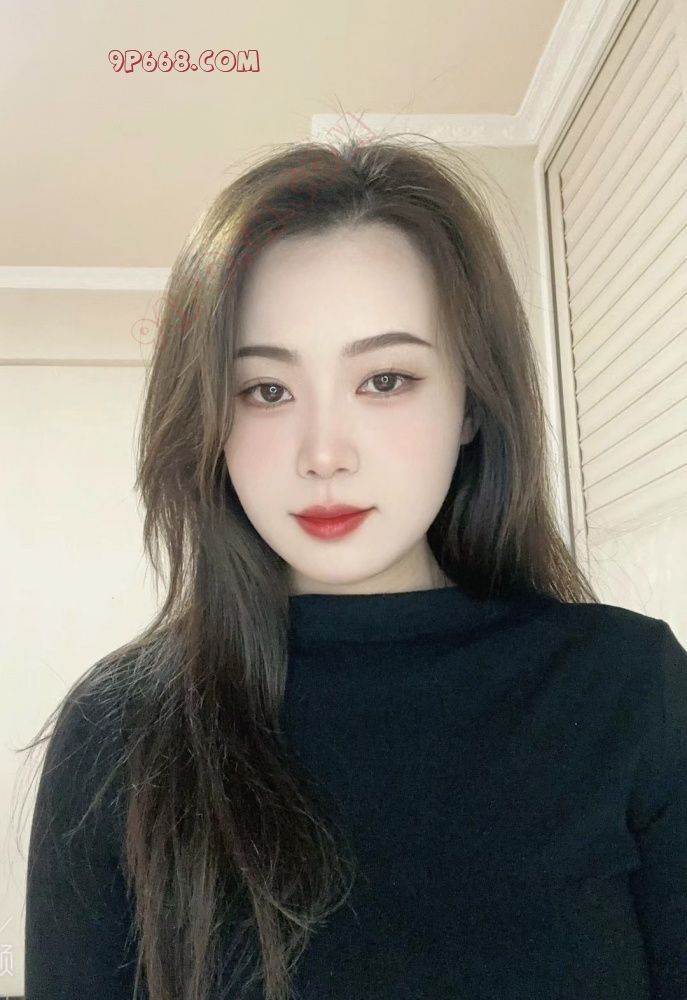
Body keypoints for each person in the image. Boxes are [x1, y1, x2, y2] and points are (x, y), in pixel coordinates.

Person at [20, 137, 687, 1000]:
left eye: (385, 380)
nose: (324, 452)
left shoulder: (627, 688)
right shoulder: (121, 730)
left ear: (471, 403)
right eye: (266, 390)